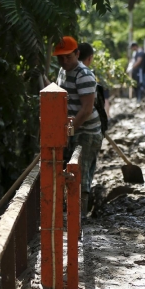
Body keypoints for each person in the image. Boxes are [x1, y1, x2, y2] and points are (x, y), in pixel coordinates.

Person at [52, 36, 103, 217]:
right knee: (67, 170)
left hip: (87, 132)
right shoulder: (62, 71)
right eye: (61, 58)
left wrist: (69, 131)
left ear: (77, 54)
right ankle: (68, 212)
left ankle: (79, 217)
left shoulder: (84, 76)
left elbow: (86, 110)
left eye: (68, 57)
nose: (65, 61)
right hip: (72, 128)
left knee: (80, 173)